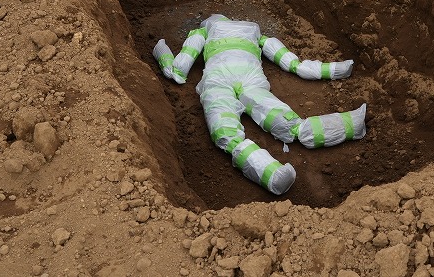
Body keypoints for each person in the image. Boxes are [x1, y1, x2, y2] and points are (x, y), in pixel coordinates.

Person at [153, 14, 366, 196]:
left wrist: (161, 52)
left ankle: (271, 174)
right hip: (251, 79)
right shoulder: (254, 32)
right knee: (288, 122)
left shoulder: (204, 31)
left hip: (218, 80)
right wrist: (333, 69)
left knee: (226, 132)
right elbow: (293, 63)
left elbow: (180, 66)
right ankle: (350, 124)